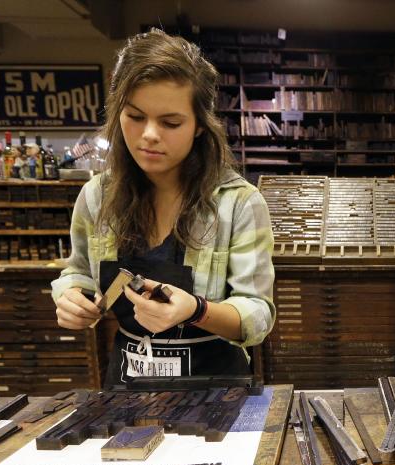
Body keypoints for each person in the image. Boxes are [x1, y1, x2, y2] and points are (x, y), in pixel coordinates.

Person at [52, 29, 275, 386]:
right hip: (127, 383)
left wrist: (197, 310)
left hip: (214, 385)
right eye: (135, 116)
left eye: (170, 123)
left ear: (200, 126)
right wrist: (71, 296)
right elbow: (77, 271)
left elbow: (258, 314)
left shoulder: (238, 203)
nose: (150, 135)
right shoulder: (97, 197)